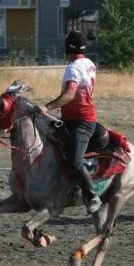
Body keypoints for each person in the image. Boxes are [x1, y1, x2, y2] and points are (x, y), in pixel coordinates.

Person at [40, 30, 102, 214]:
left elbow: (69, 95)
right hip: (71, 119)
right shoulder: (89, 64)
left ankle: (92, 196)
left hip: (81, 122)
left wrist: (46, 107)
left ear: (67, 48)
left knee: (74, 161)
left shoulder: (73, 68)